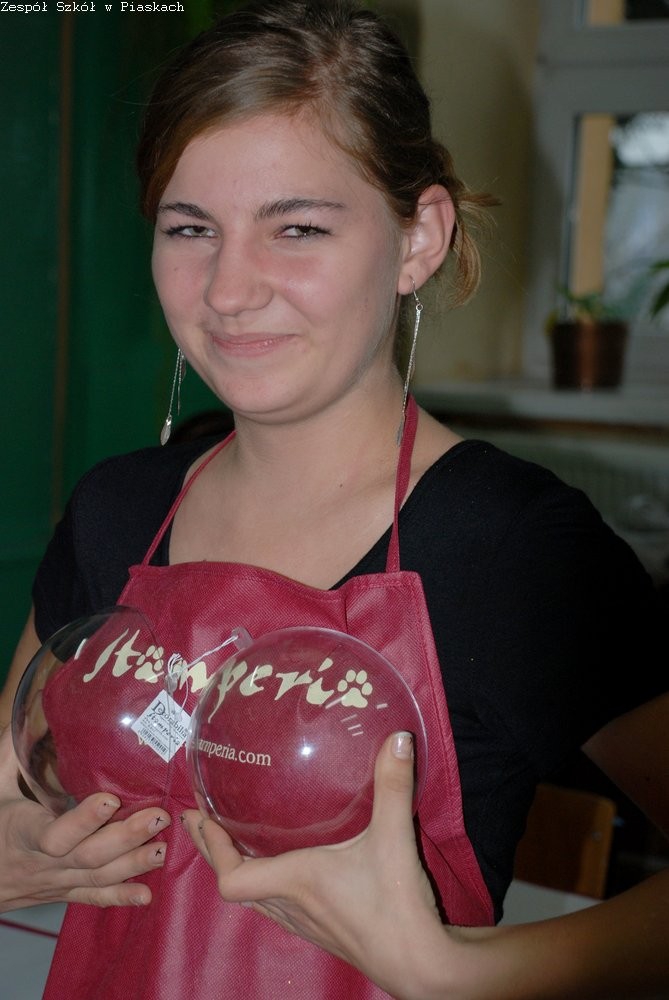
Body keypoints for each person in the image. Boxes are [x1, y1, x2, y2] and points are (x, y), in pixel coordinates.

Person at [0, 1, 667, 997]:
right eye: (191, 228)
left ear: (417, 237)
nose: (228, 289)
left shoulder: (512, 547)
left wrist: (465, 974)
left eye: (298, 227)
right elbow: (9, 781)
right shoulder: (115, 508)